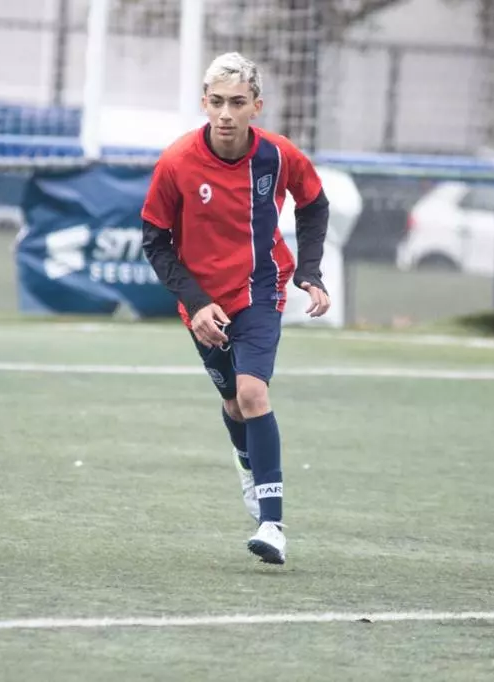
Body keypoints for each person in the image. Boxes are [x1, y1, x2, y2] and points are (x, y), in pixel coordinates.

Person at [140, 52, 330, 565]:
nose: (226, 113)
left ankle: (272, 524)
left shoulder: (278, 155)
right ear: (204, 103)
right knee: (231, 402)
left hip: (261, 287)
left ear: (256, 107)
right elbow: (155, 241)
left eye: (237, 103)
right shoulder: (176, 162)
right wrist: (196, 302)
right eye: (217, 102)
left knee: (251, 392)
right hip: (202, 300)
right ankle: (248, 463)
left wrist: (310, 271)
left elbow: (313, 203)